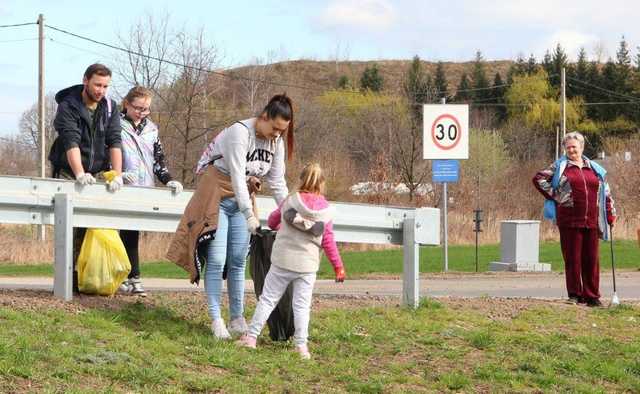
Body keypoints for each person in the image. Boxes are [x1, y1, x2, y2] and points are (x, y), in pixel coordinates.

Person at [167, 94, 295, 339]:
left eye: (282, 131)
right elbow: (237, 176)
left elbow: (277, 182)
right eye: (275, 128)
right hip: (217, 194)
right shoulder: (240, 133)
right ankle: (216, 320)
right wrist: (249, 214)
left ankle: (237, 318)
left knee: (237, 259)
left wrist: (290, 213)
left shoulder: (275, 142)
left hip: (241, 199)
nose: (277, 135)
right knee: (216, 259)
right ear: (264, 117)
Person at [237, 163, 346, 359]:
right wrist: (338, 267)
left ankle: (251, 337)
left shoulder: (290, 201)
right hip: (307, 266)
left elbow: (271, 221)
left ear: (301, 179)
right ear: (322, 184)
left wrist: (284, 225)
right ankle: (301, 346)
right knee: (302, 305)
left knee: (268, 298)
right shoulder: (327, 211)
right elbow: (328, 240)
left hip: (282, 261)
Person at [48, 63, 123, 292]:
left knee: (92, 224)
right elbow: (71, 140)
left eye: (105, 86)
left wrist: (117, 175)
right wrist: (79, 173)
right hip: (70, 169)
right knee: (69, 227)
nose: (101, 90)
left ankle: (87, 280)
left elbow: (115, 141)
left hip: (97, 169)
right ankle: (66, 281)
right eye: (97, 84)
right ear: (86, 81)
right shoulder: (68, 105)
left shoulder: (110, 107)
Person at [533, 131, 616, 307]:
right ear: (564, 149)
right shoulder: (560, 167)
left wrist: (610, 213)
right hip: (569, 220)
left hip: (592, 220)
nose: (571, 150)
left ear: (582, 147)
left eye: (574, 146)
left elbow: (606, 193)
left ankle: (592, 296)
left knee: (592, 260)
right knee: (573, 259)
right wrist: (557, 196)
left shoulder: (594, 168)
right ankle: (575, 294)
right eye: (568, 147)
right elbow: (539, 178)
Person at [118, 86, 183, 296]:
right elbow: (108, 152)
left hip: (142, 188)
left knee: (131, 233)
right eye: (138, 108)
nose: (141, 113)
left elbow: (158, 162)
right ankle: (122, 276)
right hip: (119, 185)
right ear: (127, 104)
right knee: (116, 231)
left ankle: (133, 277)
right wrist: (114, 174)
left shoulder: (152, 130)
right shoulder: (115, 125)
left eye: (146, 109)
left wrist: (169, 180)